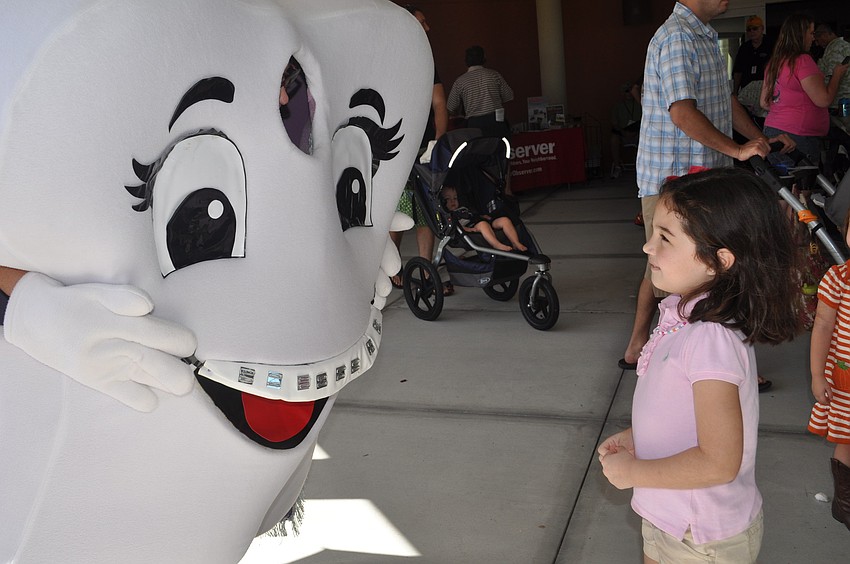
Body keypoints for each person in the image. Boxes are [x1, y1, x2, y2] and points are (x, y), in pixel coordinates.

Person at [599, 168, 801, 564]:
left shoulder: (711, 340)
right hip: (670, 517)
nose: (648, 248)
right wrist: (636, 435)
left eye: (665, 238)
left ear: (719, 261)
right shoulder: (682, 316)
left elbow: (719, 460)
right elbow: (680, 411)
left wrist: (630, 474)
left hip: (700, 536)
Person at [619, 0, 793, 389]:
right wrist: (737, 150)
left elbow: (724, 102)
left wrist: (757, 139)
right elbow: (682, 112)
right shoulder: (678, 37)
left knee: (690, 270)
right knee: (683, 275)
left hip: (705, 175)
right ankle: (678, 361)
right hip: (674, 179)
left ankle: (642, 346)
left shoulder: (705, 37)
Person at [389, 5, 451, 294]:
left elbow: (438, 103)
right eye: (422, 23)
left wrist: (438, 140)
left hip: (425, 146)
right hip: (399, 147)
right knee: (402, 208)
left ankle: (426, 270)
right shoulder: (390, 60)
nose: (428, 28)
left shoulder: (427, 61)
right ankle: (392, 267)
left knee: (428, 208)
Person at [808, 208, 850, 531]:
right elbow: (822, 327)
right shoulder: (838, 279)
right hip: (845, 380)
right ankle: (844, 502)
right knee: (846, 439)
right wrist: (817, 374)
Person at [760, 14, 849, 165]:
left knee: (782, 184)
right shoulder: (802, 61)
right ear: (800, 34)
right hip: (797, 138)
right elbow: (823, 99)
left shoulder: (774, 63)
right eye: (811, 33)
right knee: (802, 187)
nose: (813, 38)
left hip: (773, 132)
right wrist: (837, 75)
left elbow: (764, 102)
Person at [446, 45, 514, 139]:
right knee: (499, 150)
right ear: (484, 58)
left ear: (466, 60)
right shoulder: (494, 75)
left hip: (474, 125)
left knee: (478, 151)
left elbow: (450, 107)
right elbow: (509, 96)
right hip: (496, 121)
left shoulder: (460, 81)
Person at [441, 186, 526, 252]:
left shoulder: (463, 208)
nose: (453, 201)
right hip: (473, 226)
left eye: (455, 198)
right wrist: (467, 229)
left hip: (482, 222)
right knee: (483, 225)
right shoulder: (450, 215)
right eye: (448, 199)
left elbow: (473, 215)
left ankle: (515, 242)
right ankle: (496, 244)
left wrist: (483, 216)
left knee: (505, 220)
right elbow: (454, 226)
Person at [814, 24, 850, 130]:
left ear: (825, 35)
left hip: (839, 103)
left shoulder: (835, 49)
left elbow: (832, 77)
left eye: (817, 39)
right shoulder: (845, 46)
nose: (817, 44)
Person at [733, 15, 774, 95]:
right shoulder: (744, 48)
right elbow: (738, 72)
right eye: (749, 30)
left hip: (767, 90)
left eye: (755, 28)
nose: (752, 32)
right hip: (747, 91)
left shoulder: (771, 45)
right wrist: (735, 92)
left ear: (762, 28)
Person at [610, 80, 642, 178]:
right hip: (623, 133)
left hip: (637, 133)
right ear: (622, 93)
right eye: (626, 91)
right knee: (613, 139)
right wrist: (623, 132)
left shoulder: (639, 104)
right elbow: (614, 124)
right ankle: (617, 167)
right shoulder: (617, 106)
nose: (628, 93)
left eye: (629, 91)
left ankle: (641, 168)